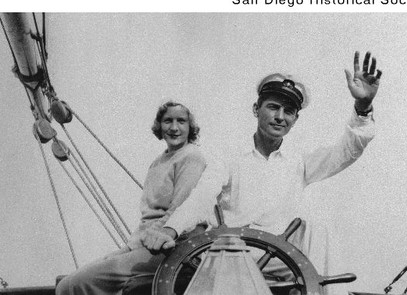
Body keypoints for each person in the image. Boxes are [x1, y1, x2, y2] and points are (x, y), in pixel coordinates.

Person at [140, 51, 382, 294]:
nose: (279, 117)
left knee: (319, 227)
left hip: (280, 264)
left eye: (288, 111)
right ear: (256, 109)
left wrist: (363, 107)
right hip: (227, 259)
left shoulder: (300, 162)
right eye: (273, 107)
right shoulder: (228, 158)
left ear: (295, 120)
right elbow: (201, 198)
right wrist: (169, 230)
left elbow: (348, 151)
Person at [56, 101, 207, 295]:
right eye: (168, 121)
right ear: (159, 126)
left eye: (181, 121)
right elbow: (148, 218)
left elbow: (180, 212)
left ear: (190, 127)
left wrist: (136, 246)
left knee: (73, 285)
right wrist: (127, 248)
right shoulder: (157, 163)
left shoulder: (191, 156)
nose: (174, 127)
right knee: (74, 278)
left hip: (172, 248)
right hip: (145, 245)